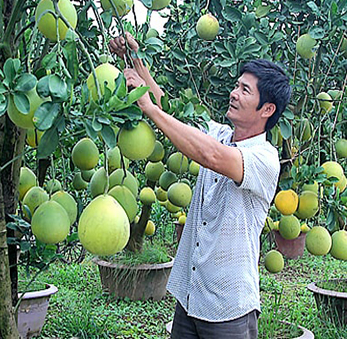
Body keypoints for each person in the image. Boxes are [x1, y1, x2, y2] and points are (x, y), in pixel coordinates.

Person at [109, 32, 292, 339]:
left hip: (227, 306)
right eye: (236, 86)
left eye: (245, 90)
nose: (234, 93)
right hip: (190, 297)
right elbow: (169, 112)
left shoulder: (265, 158)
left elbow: (209, 155)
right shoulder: (218, 134)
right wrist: (133, 58)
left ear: (267, 109)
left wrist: (150, 111)